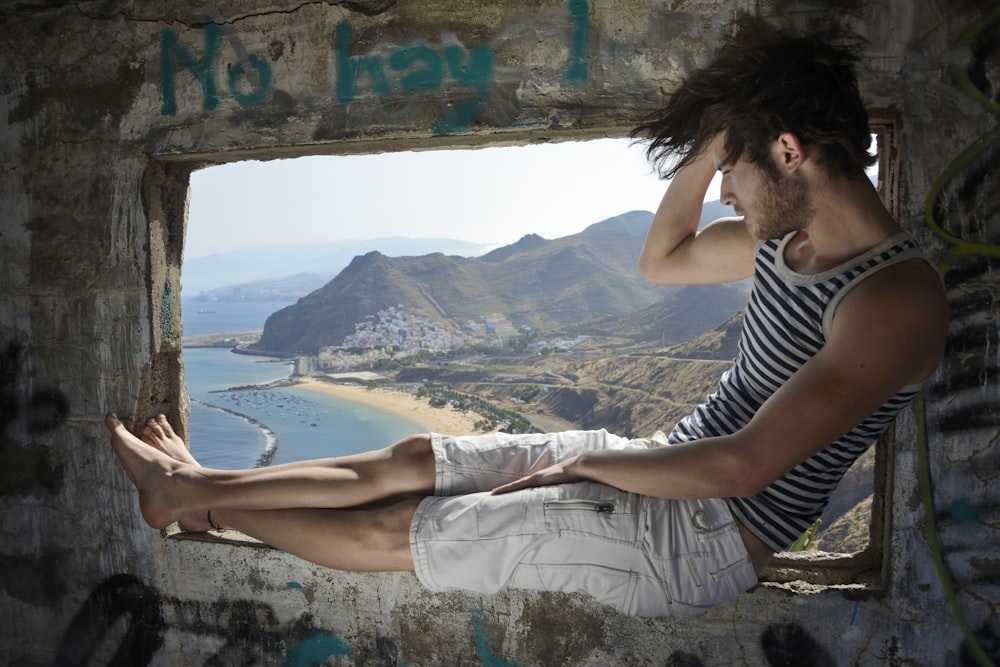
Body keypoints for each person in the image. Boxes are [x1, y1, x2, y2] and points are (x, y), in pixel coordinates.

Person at [105, 22, 948, 617]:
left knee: (405, 529)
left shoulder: (894, 300)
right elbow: (662, 257)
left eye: (732, 172)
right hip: (657, 461)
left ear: (792, 152)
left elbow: (743, 465)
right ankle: (195, 486)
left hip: (706, 534)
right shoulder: (781, 236)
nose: (723, 191)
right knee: (411, 457)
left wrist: (587, 464)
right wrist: (716, 137)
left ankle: (193, 504)